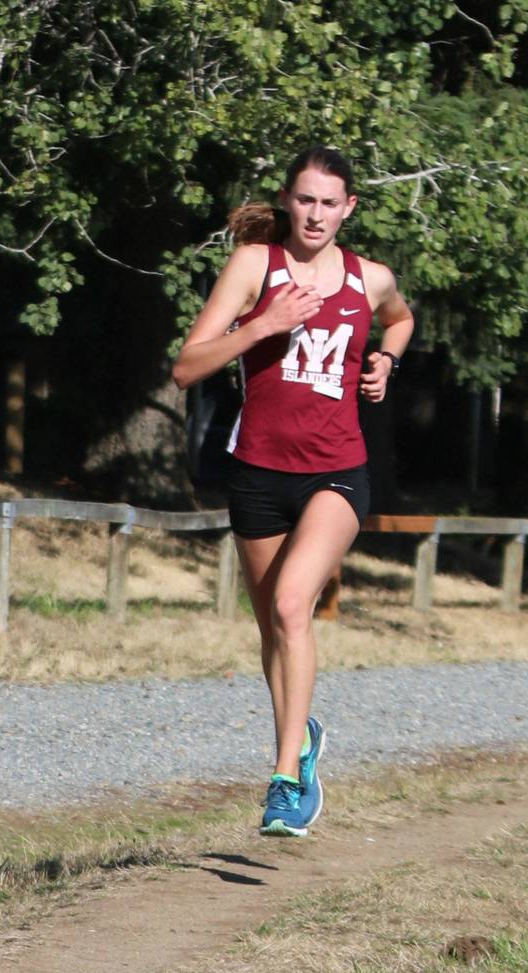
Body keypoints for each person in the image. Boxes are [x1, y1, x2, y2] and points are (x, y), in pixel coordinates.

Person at [173, 146, 414, 836]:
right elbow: (186, 367)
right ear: (287, 201)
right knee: (273, 634)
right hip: (256, 473)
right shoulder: (256, 267)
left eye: (328, 203)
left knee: (291, 604)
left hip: (337, 470)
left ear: (349, 208)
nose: (315, 214)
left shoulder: (370, 279)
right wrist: (264, 325)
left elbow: (400, 318)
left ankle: (285, 780)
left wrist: (386, 362)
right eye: (304, 200)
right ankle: (302, 736)